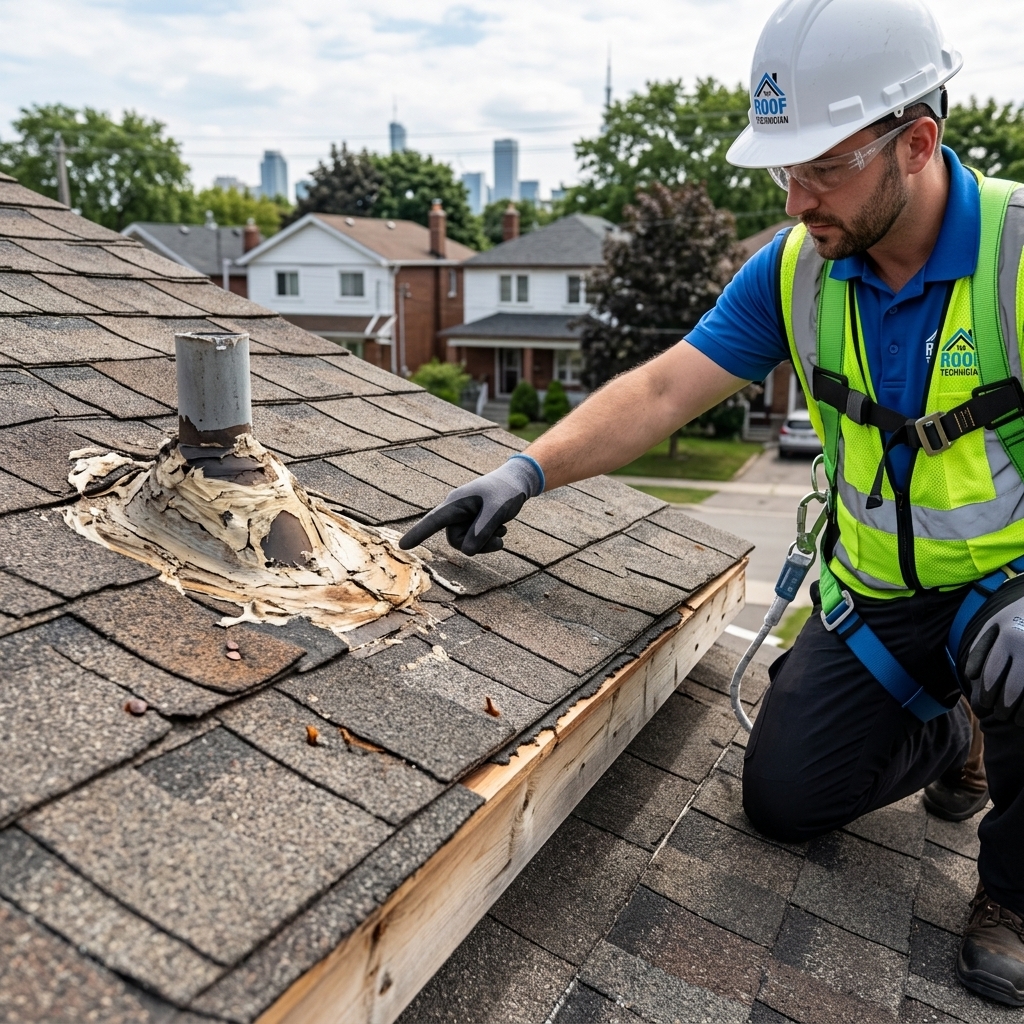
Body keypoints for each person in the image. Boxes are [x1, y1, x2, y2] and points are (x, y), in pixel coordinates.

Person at [401, 0, 1024, 1005]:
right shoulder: (799, 270)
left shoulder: (1017, 260)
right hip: (877, 603)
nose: (796, 198)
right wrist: (525, 471)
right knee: (781, 801)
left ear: (916, 143)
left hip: (1007, 600)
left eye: (822, 167)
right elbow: (661, 388)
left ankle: (1012, 893)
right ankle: (957, 734)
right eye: (785, 169)